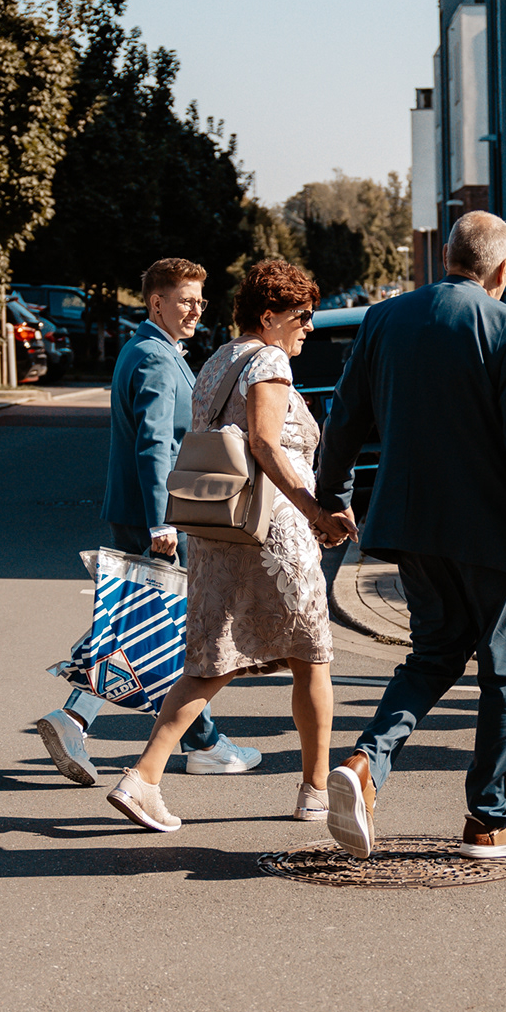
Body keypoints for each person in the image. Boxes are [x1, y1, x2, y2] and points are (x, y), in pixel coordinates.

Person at [317, 210, 506, 860]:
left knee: (432, 656)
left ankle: (368, 764)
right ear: (504, 269)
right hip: (494, 536)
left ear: (448, 257)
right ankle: (490, 820)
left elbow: (343, 419)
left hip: (410, 527)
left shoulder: (384, 319)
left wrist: (334, 501)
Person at [106, 260, 344, 831]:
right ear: (269, 316)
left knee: (213, 660)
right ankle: (314, 790)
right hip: (273, 534)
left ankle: (143, 778)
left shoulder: (217, 360)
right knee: (311, 657)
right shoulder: (269, 359)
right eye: (301, 316)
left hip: (221, 531)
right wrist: (315, 511)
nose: (308, 326)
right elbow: (264, 441)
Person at [34, 258, 261, 785]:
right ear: (156, 302)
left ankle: (77, 718)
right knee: (173, 630)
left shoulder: (147, 349)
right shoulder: (156, 358)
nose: (196, 310)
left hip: (143, 514)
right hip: (154, 519)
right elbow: (155, 443)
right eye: (185, 299)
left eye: (200, 300)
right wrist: (163, 523)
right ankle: (201, 742)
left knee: (143, 628)